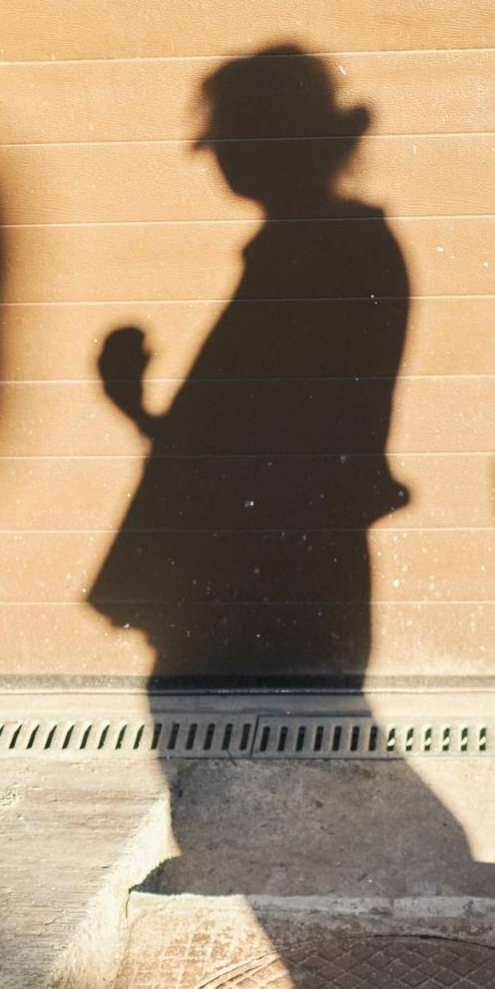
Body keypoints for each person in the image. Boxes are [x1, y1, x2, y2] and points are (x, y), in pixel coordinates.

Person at [89, 44, 409, 684]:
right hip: (281, 580)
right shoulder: (330, 250)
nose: (221, 155)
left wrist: (142, 413)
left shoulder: (321, 256)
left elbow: (260, 446)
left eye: (230, 135)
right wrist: (140, 410)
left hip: (259, 585)